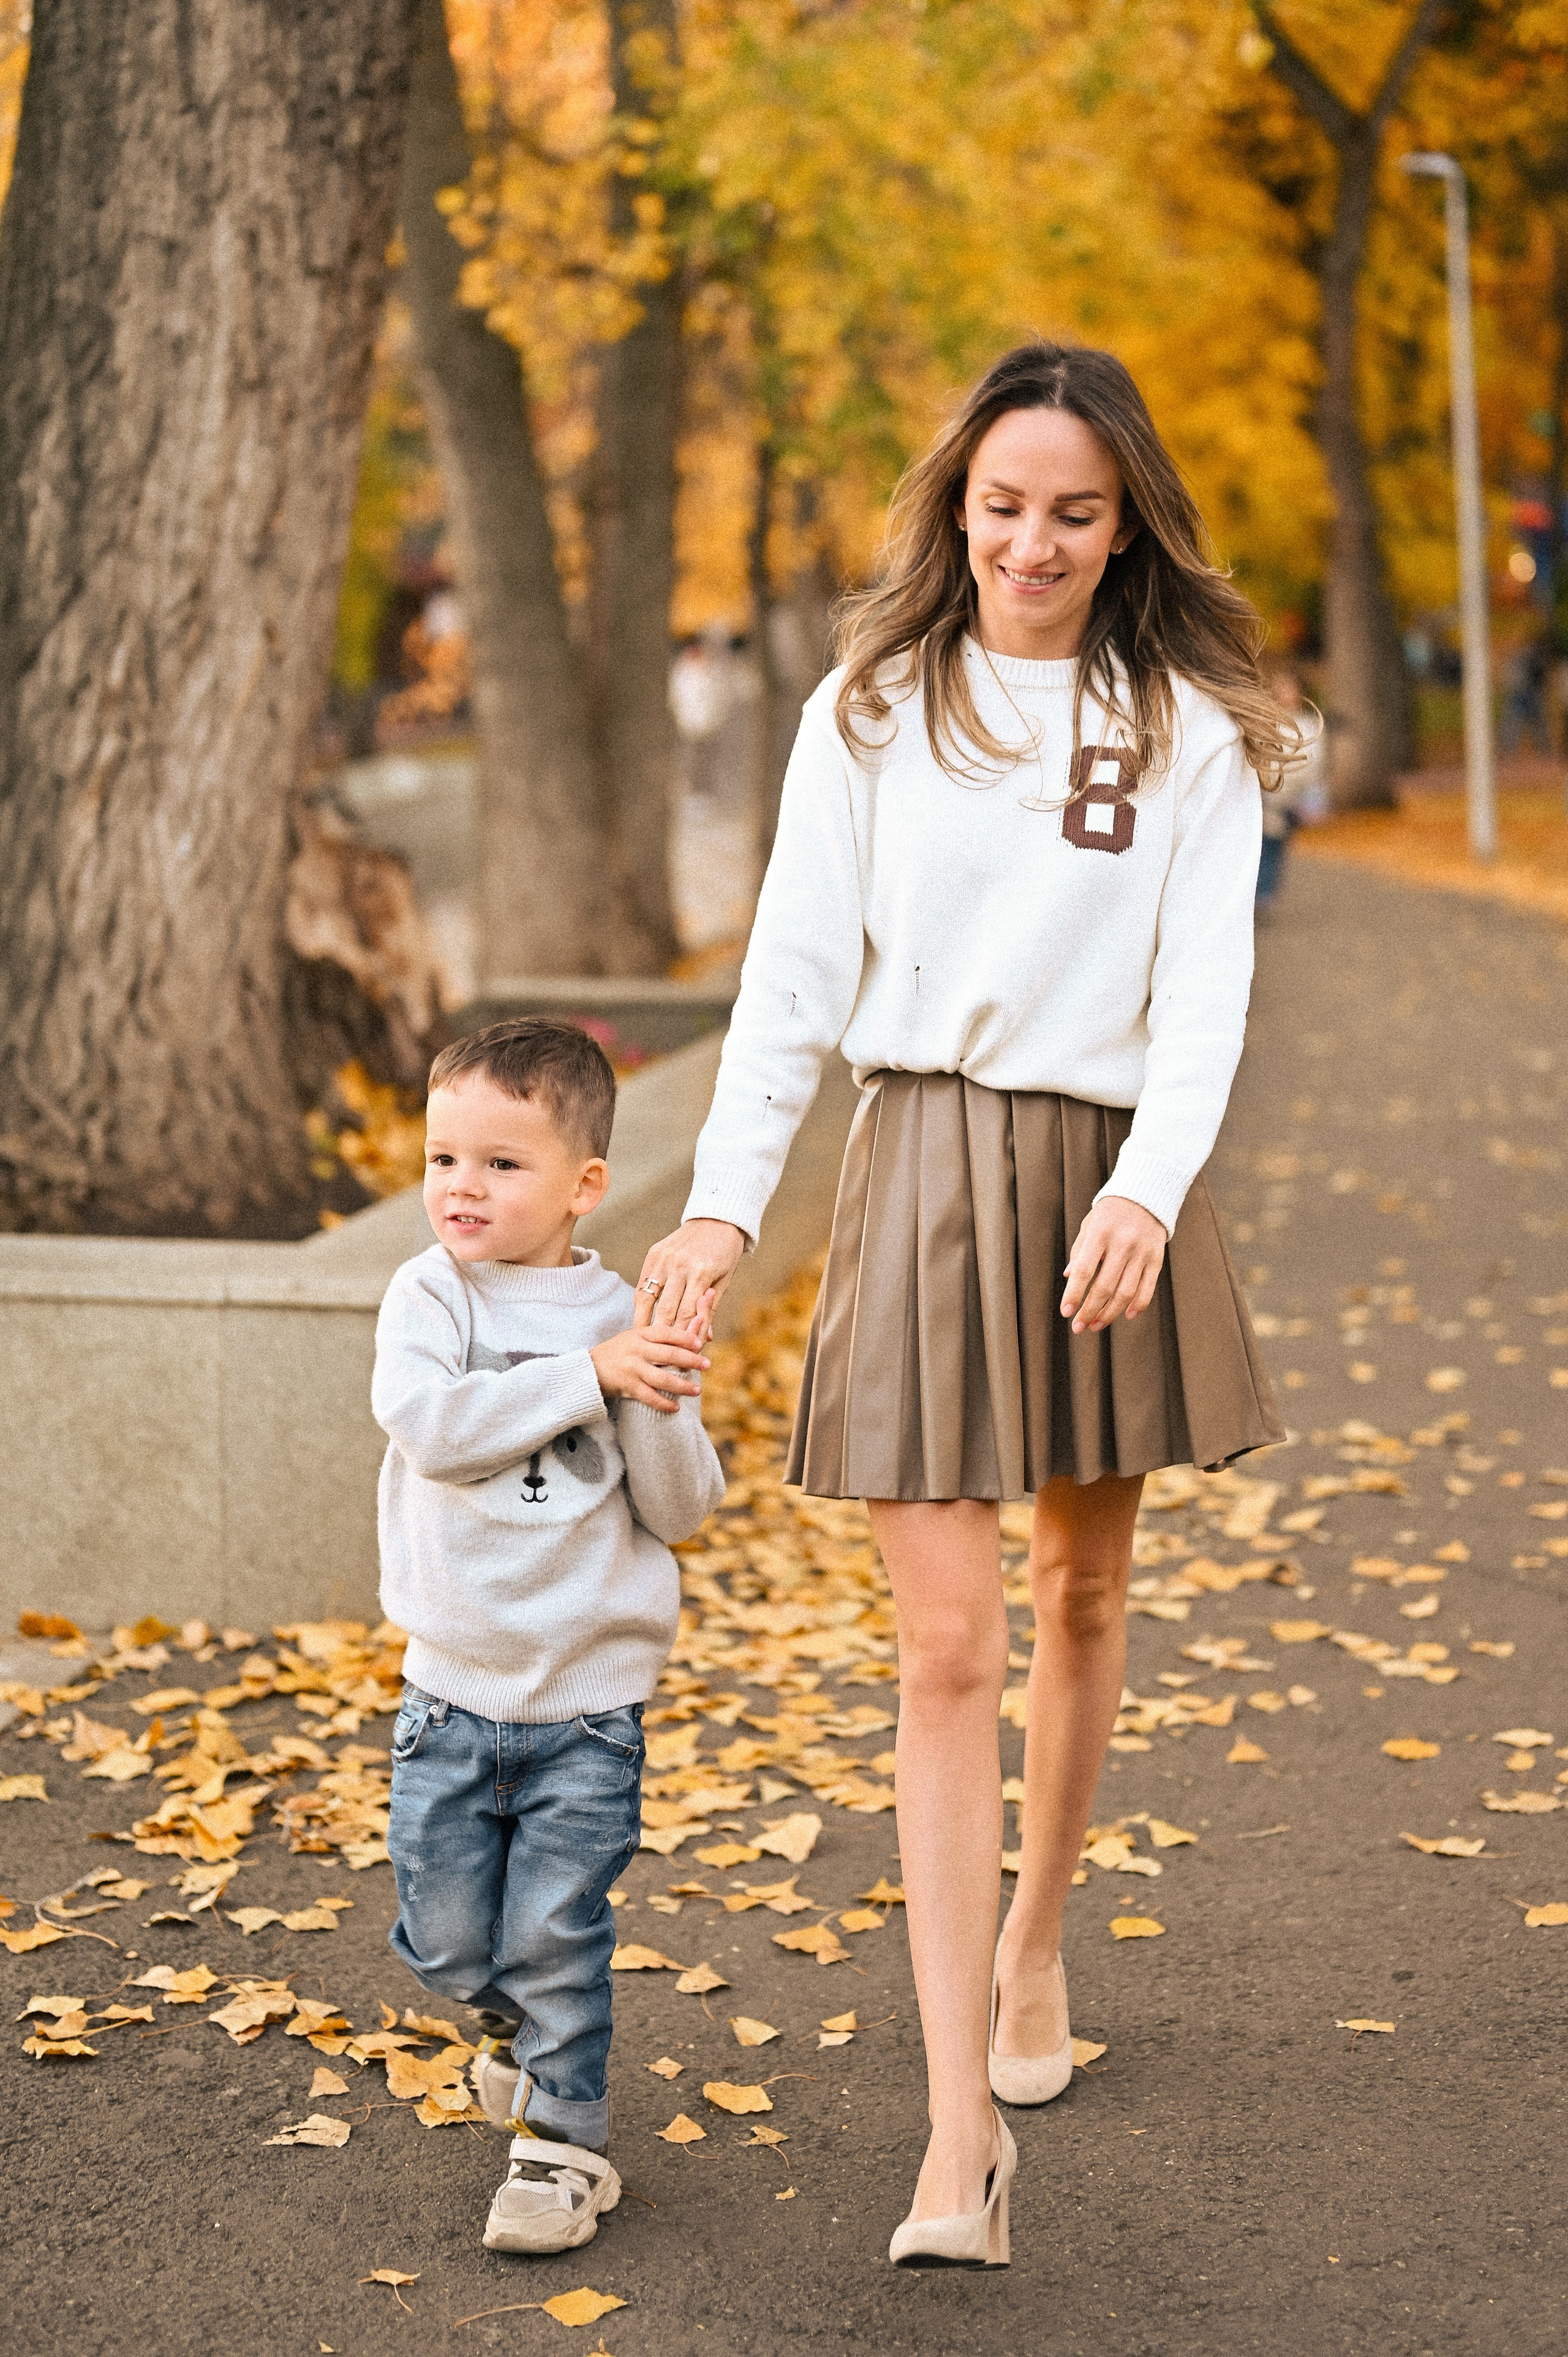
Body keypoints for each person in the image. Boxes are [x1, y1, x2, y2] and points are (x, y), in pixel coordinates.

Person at [633, 341, 1293, 2269]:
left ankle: (1033, 1937)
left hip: (1105, 1181)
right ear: (954, 508)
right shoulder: (863, 712)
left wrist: (1153, 1189)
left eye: (1071, 512)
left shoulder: (1183, 730)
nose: (1031, 542)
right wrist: (716, 1217)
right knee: (942, 1651)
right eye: (1000, 506)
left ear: (1124, 522)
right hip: (919, 1173)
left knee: (1083, 1591)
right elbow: (785, 983)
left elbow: (1206, 994)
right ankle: (950, 2146)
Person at [372, 1018, 725, 2255]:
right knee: (449, 1935)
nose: (460, 1187)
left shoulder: (625, 1313)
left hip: (587, 1699)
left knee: (555, 1930)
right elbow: (430, 1424)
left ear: (585, 1184)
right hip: (450, 1693)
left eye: (500, 1163)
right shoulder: (429, 1294)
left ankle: (563, 2148)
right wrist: (589, 1376)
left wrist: (658, 1392)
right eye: (441, 1157)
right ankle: (511, 2032)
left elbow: (677, 1508)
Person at [1256, 666, 1328, 910]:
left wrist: (1316, 798)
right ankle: (1260, 890)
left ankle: (1265, 890)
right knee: (1266, 840)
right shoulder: (1269, 722)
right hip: (1269, 792)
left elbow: (1318, 761)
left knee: (1276, 840)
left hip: (1295, 794)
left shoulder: (1310, 725)